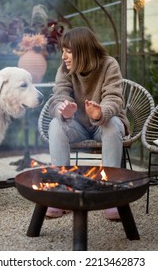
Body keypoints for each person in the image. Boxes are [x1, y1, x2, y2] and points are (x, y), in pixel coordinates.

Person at [47, 27, 130, 220]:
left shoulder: (109, 65)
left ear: (83, 50)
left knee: (113, 124)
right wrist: (62, 110)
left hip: (103, 125)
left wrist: (101, 111)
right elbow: (58, 96)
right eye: (62, 51)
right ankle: (61, 193)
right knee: (55, 125)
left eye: (68, 51)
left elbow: (114, 98)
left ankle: (109, 195)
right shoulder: (65, 70)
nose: (63, 57)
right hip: (78, 127)